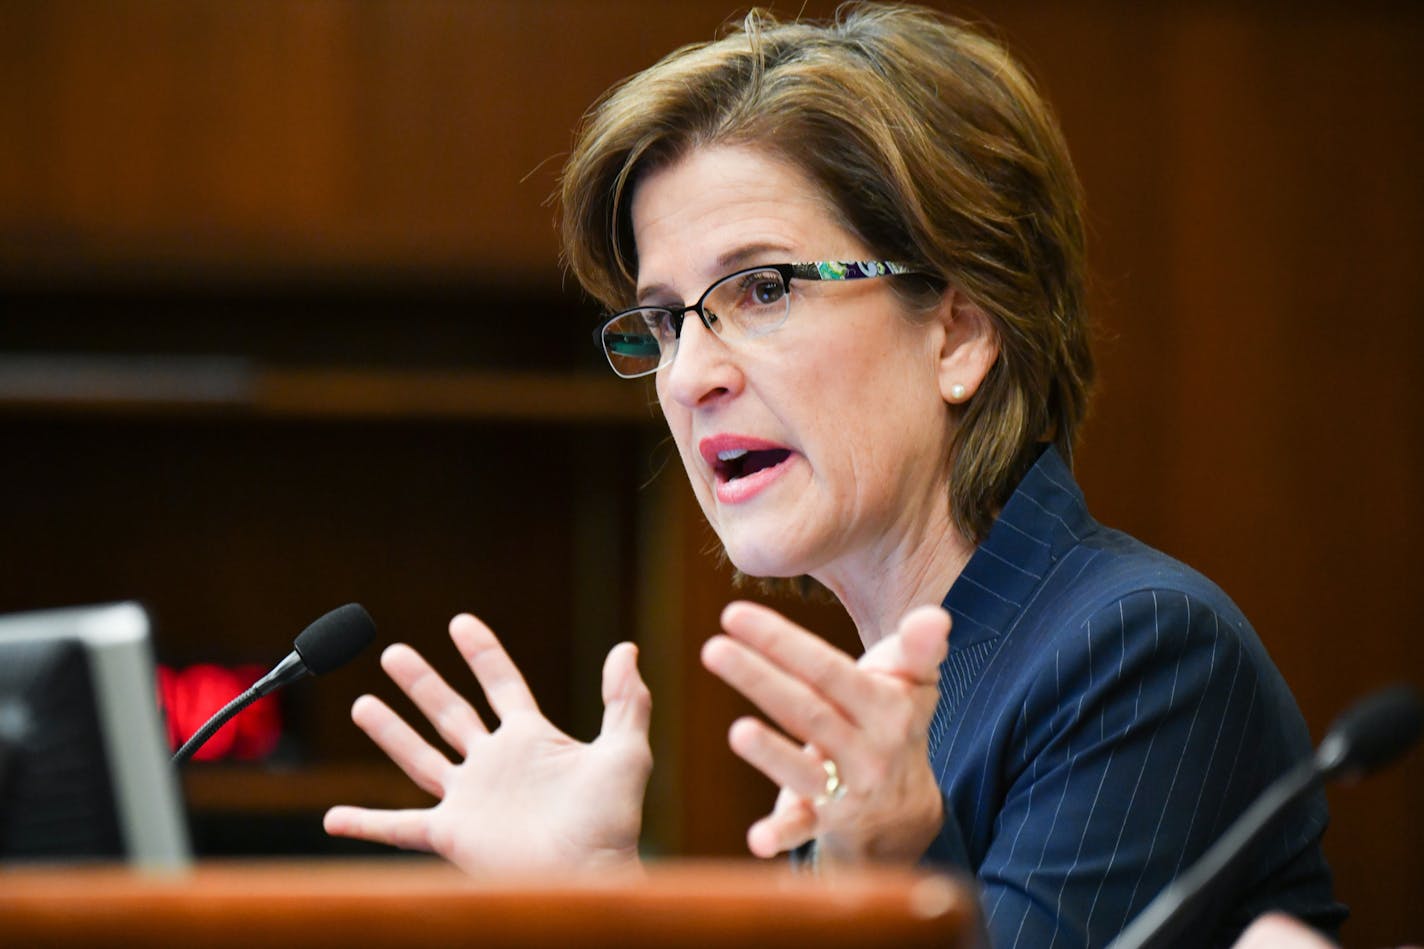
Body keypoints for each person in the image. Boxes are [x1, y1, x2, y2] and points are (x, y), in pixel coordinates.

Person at [324, 5, 1347, 945]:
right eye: (664, 320)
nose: (687, 376)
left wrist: (872, 878)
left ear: (957, 331)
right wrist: (597, 897)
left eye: (762, 288)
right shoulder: (875, 719)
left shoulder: (1135, 655)